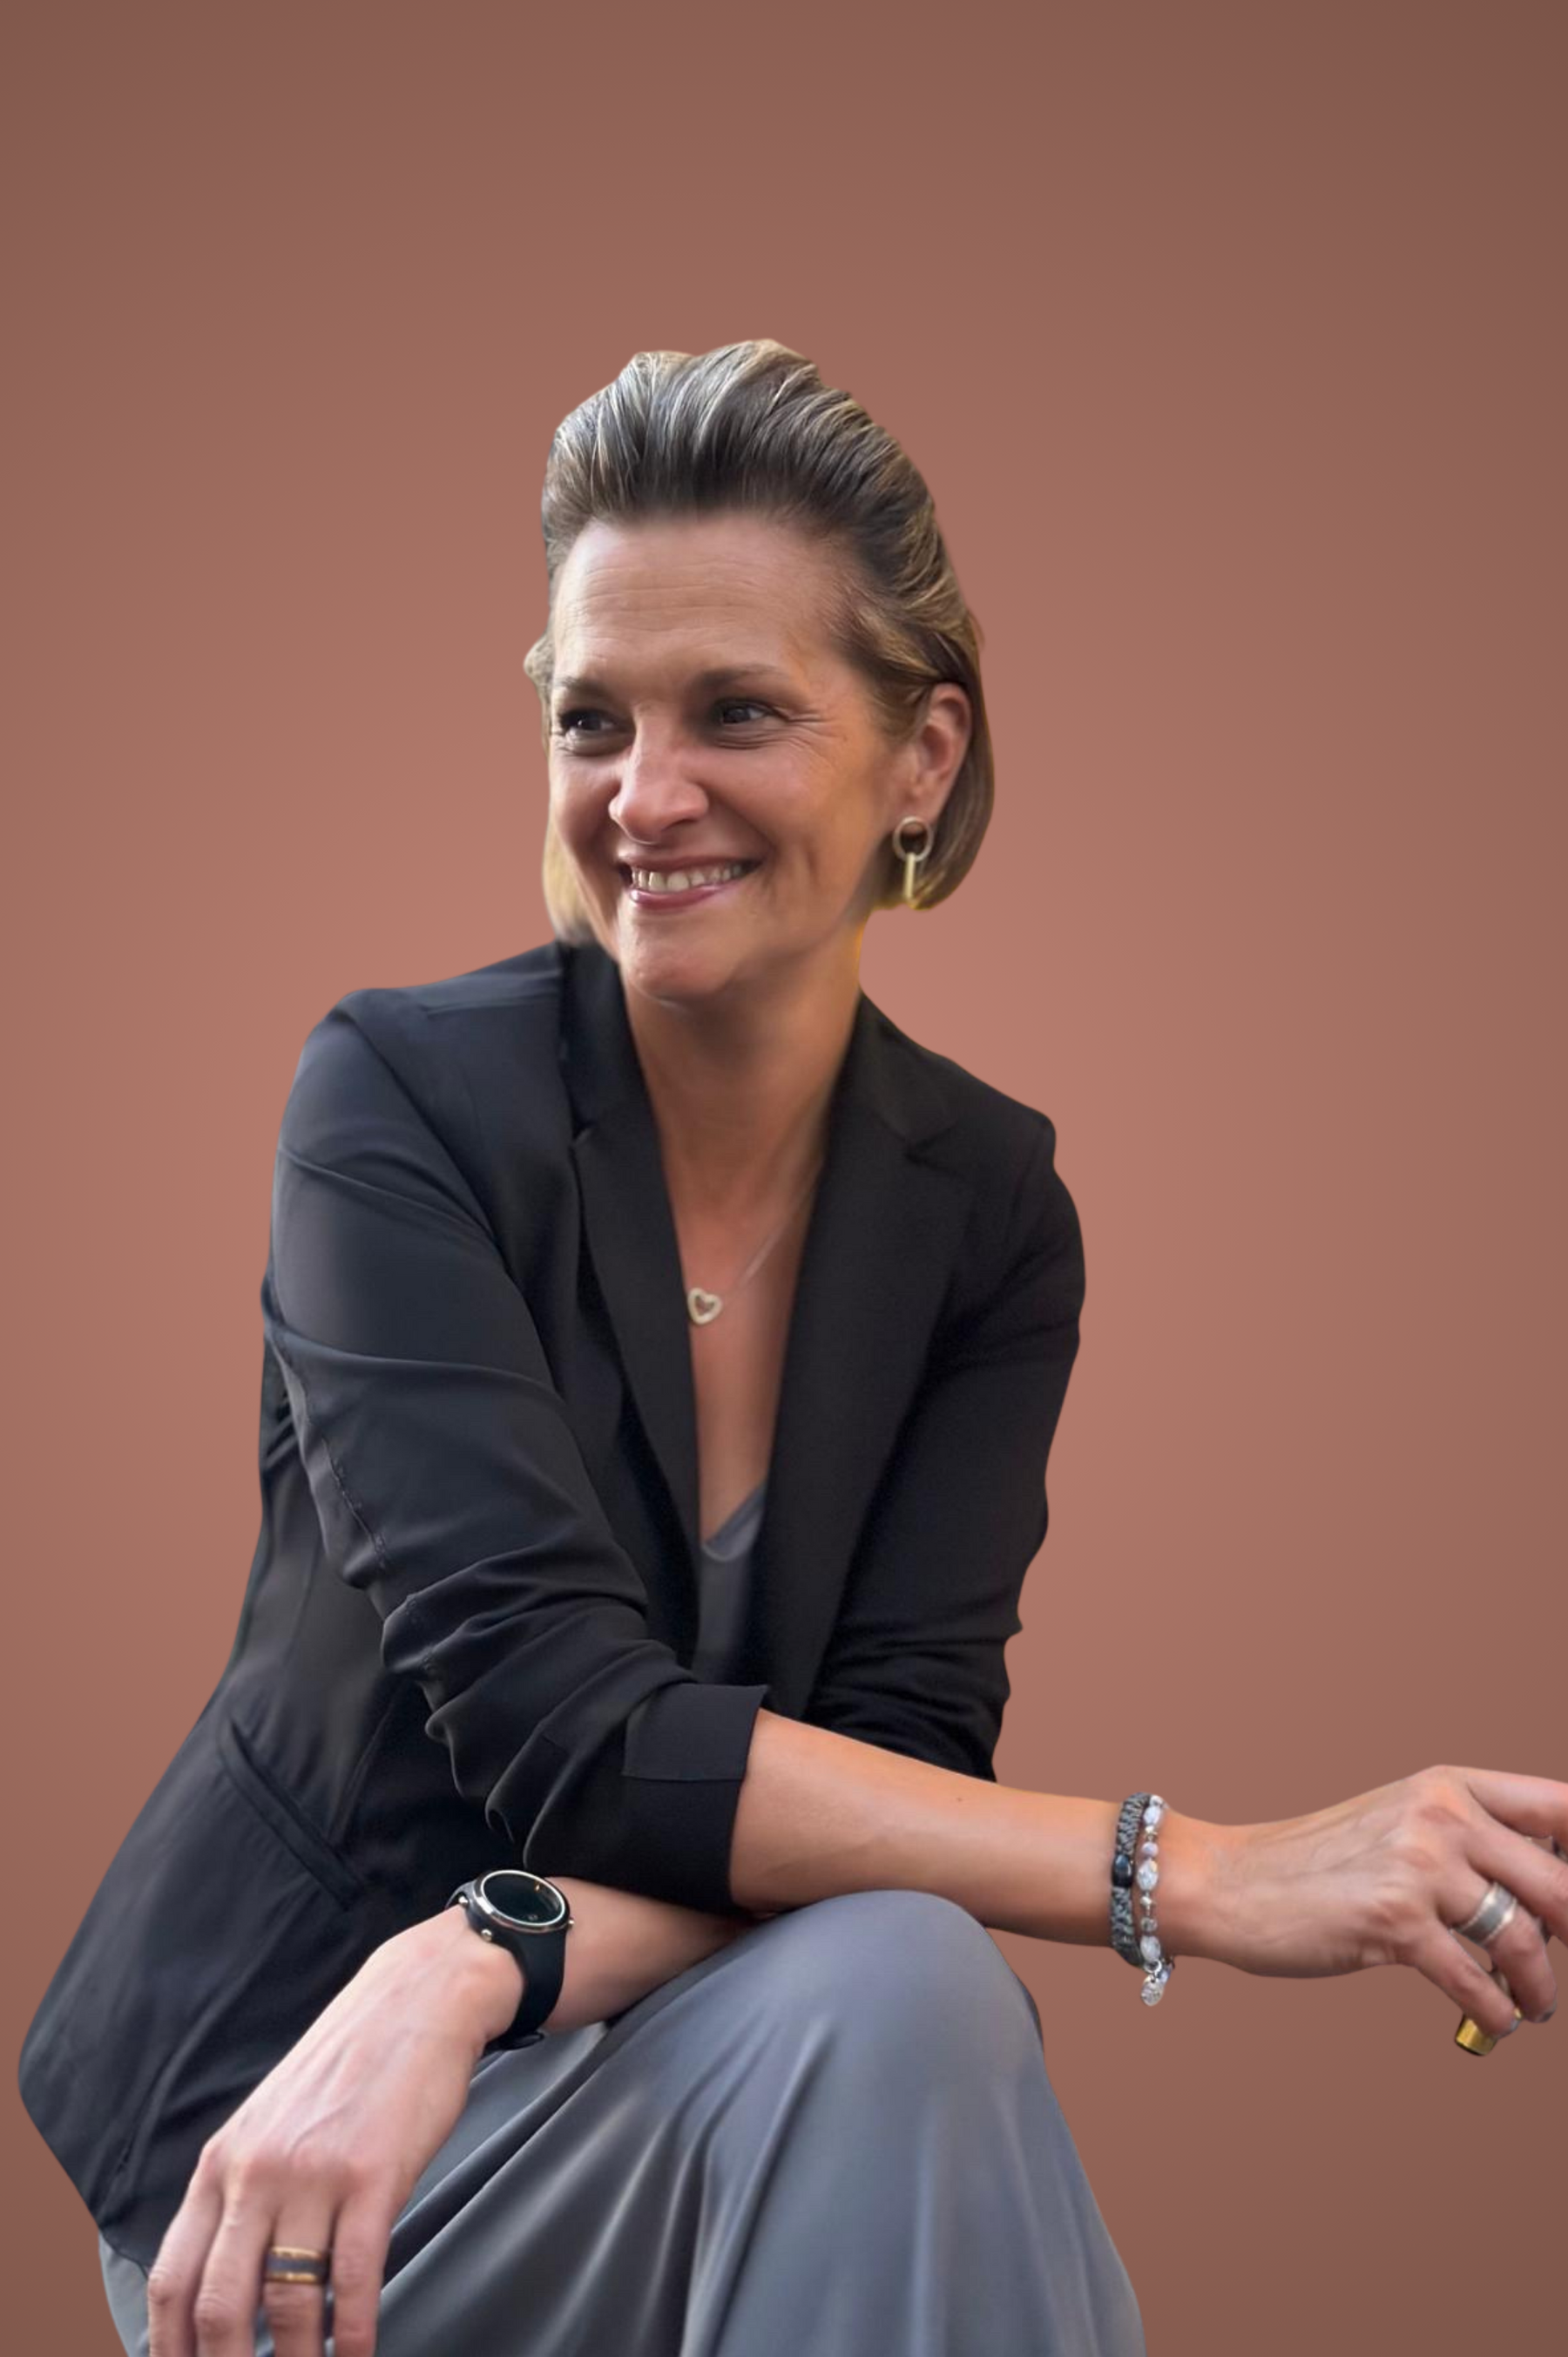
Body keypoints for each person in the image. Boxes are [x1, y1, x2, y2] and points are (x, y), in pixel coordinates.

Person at [19, 338, 1565, 2357]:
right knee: (911, 1994)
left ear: (924, 757)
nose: (643, 794)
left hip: (674, 2036)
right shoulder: (397, 1103)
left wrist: (484, 1952)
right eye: (594, 717)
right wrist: (1191, 1870)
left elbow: (890, 1789)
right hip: (303, 2138)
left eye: (735, 710)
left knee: (904, 1975)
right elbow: (570, 1730)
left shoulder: (988, 1207)